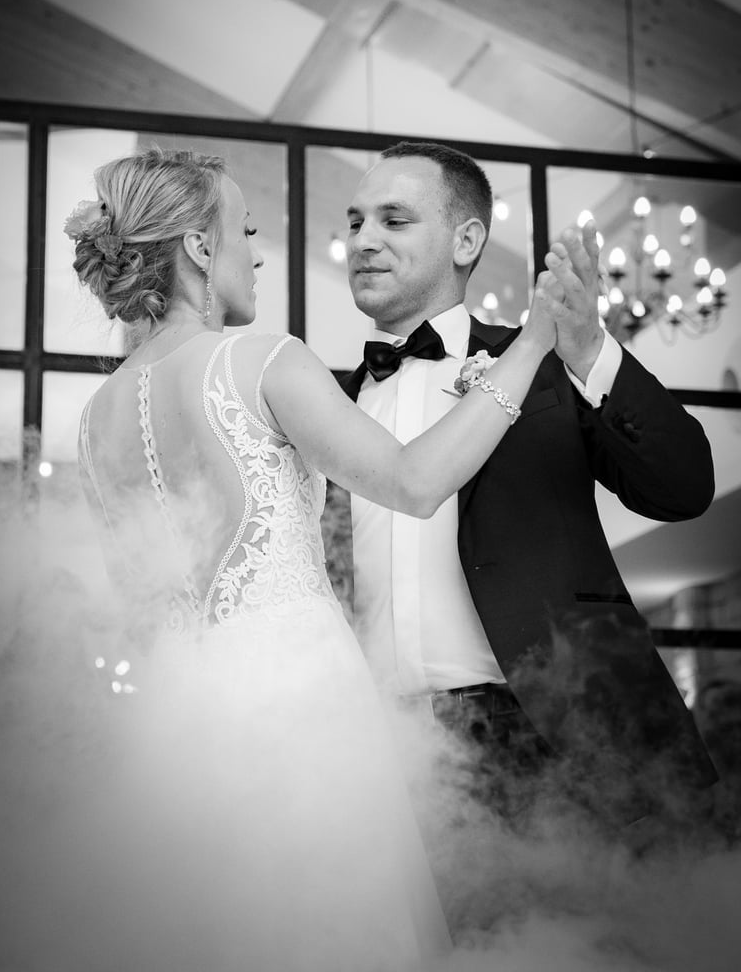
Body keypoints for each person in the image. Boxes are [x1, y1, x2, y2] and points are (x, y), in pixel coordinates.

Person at [53, 147, 564, 972]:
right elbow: (413, 481)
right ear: (198, 247)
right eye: (246, 229)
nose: (256, 253)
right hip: (300, 702)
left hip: (175, 727)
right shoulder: (258, 361)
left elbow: (136, 607)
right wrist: (533, 343)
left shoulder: (93, 421)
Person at [341, 139, 718, 834]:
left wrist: (589, 350)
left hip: (550, 733)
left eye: (394, 220)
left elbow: (684, 487)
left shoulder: (541, 363)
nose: (363, 240)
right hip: (379, 756)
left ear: (466, 240)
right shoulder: (327, 402)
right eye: (356, 221)